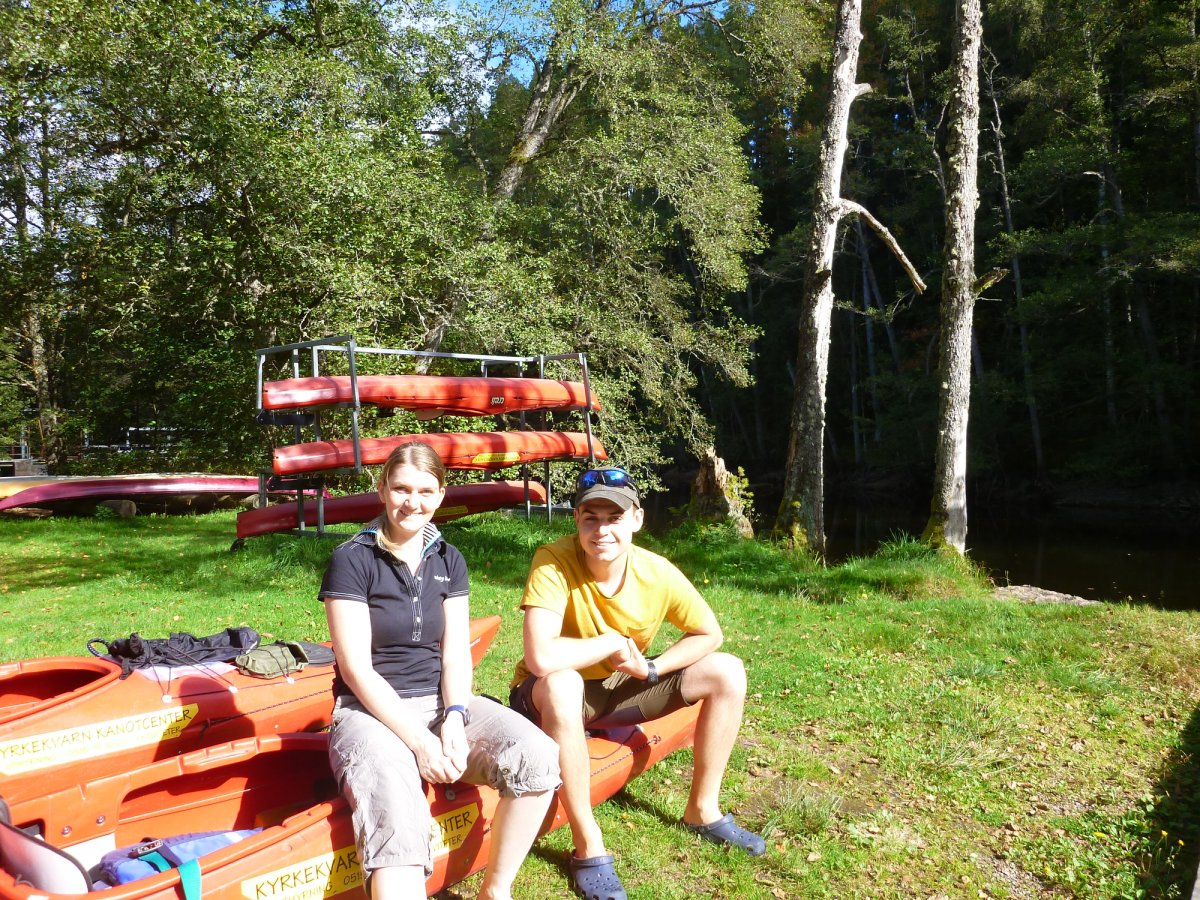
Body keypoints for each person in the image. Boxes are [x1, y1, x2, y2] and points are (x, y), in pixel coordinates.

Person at [509, 465, 765, 900]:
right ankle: (588, 844)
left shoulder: (656, 571)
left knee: (727, 670)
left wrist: (653, 669)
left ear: (637, 519)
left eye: (614, 517)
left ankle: (702, 810)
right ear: (576, 520)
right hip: (545, 697)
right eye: (591, 518)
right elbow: (541, 658)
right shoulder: (553, 561)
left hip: (616, 690)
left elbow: (709, 634)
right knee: (562, 683)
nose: (602, 530)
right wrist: (611, 642)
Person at [321, 441, 560, 900]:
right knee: (395, 818)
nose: (412, 502)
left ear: (441, 496)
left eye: (425, 491)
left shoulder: (449, 559)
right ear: (382, 490)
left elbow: (454, 655)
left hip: (439, 703)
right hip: (369, 712)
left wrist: (454, 716)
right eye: (401, 489)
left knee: (538, 756)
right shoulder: (352, 559)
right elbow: (356, 670)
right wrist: (420, 742)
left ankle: (496, 890)